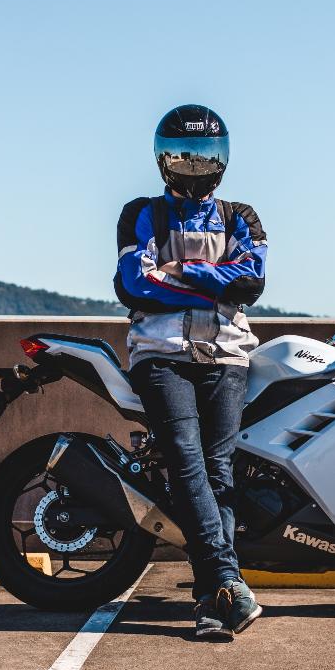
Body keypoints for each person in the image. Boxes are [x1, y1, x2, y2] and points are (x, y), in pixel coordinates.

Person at [114, 104, 267, 641]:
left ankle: (212, 600)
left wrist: (179, 270)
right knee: (186, 461)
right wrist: (214, 284)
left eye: (206, 155)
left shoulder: (240, 215)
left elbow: (251, 282)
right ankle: (226, 580)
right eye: (186, 155)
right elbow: (134, 284)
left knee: (219, 470)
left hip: (226, 354)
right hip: (160, 355)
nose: (196, 165)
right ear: (164, 158)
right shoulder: (141, 213)